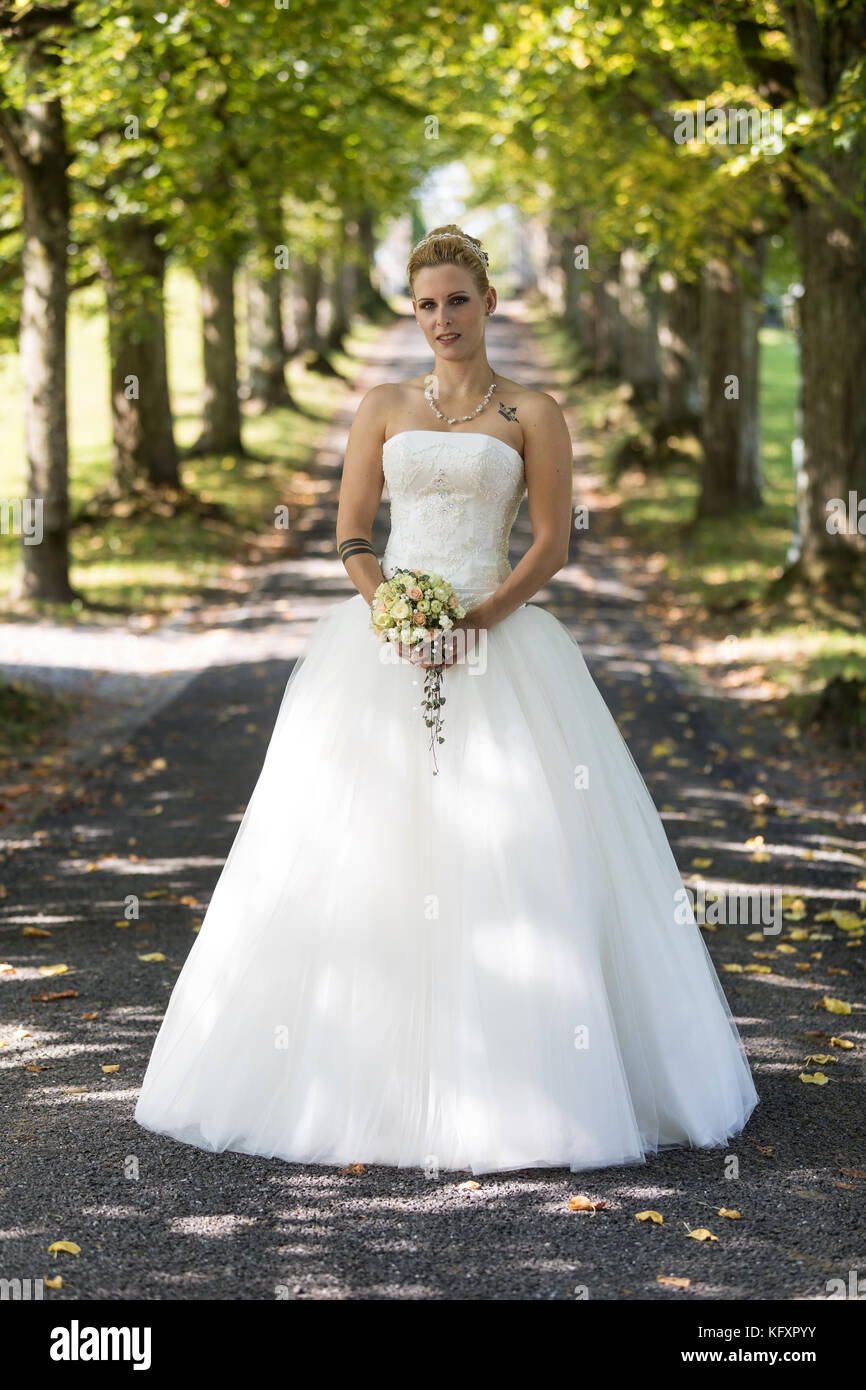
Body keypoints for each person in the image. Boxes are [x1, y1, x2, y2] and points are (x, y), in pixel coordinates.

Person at [135, 225, 759, 1175]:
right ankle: (349, 1079)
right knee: (356, 846)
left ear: (488, 305)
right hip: (380, 644)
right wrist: (390, 606)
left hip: (500, 638)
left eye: (457, 301)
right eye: (425, 304)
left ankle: (539, 1081)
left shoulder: (533, 412)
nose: (441, 320)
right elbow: (350, 534)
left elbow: (552, 544)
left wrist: (475, 618)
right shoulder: (382, 406)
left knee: (517, 847)